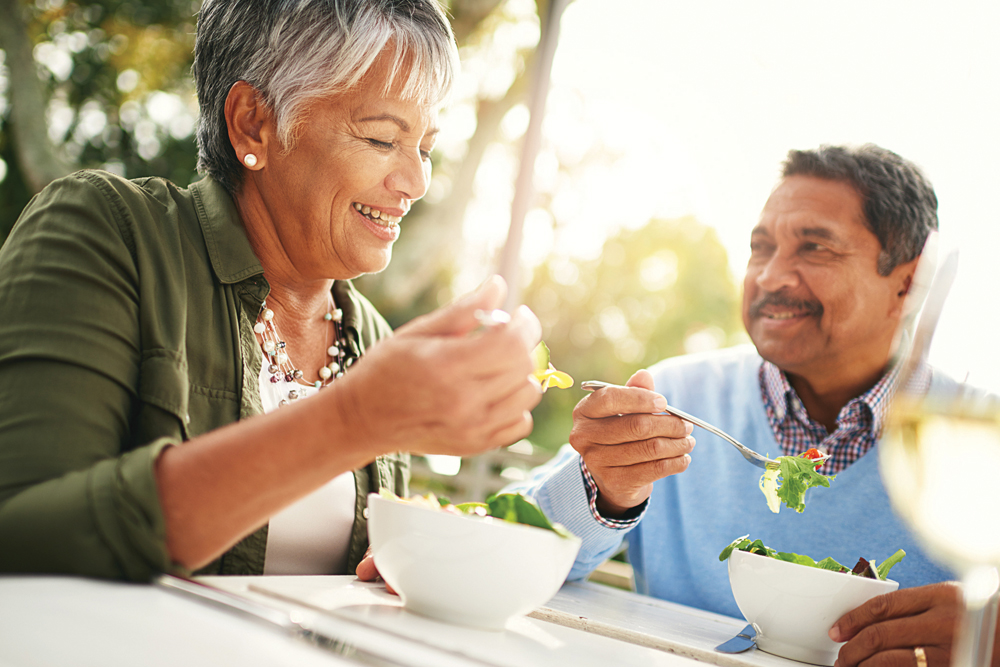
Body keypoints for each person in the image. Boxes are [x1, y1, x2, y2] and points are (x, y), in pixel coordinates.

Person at [0, 0, 543, 581]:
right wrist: (352, 419)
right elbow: (21, 531)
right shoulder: (108, 233)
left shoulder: (373, 340)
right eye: (383, 139)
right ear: (252, 123)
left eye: (426, 147)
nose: (414, 182)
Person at [512, 145, 999, 667]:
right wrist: (606, 493)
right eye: (760, 247)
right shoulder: (674, 400)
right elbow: (508, 547)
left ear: (908, 281)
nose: (770, 277)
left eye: (815, 248)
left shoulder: (973, 437)